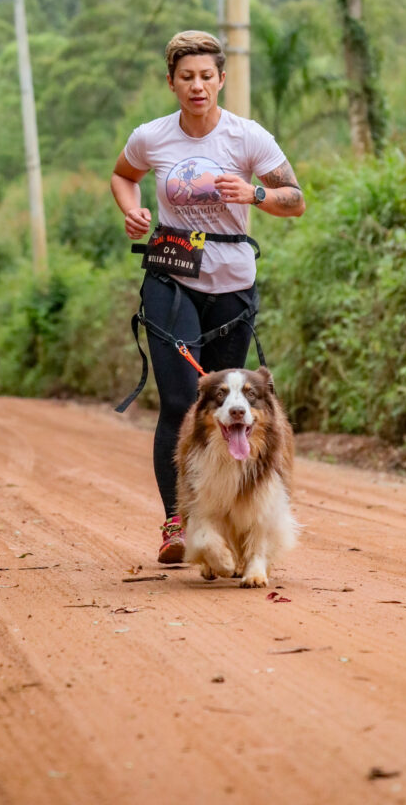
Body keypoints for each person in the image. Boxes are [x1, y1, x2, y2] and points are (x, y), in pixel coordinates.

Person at [111, 30, 306, 563]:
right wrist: (132, 211)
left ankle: (238, 521)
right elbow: (122, 175)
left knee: (234, 411)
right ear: (171, 82)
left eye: (206, 76)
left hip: (232, 286)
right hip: (172, 278)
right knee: (181, 402)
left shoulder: (248, 138)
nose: (196, 86)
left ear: (221, 79)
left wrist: (255, 193)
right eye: (186, 77)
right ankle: (181, 521)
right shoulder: (151, 137)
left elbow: (295, 199)